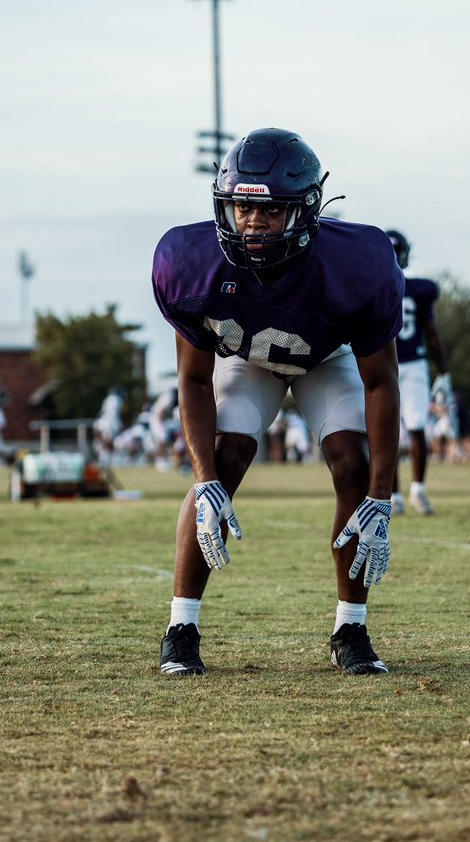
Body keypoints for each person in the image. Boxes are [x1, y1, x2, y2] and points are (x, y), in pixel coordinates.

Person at [151, 127, 404, 676]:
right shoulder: (192, 262)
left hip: (325, 359)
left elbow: (382, 382)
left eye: (269, 212)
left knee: (352, 464)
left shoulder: (359, 264)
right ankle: (181, 626)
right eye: (242, 208)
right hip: (246, 360)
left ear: (306, 211)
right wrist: (204, 478)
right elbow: (194, 379)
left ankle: (351, 627)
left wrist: (382, 496)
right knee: (223, 462)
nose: (253, 222)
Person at [385, 230, 449, 515]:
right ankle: (415, 491)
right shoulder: (421, 289)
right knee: (414, 429)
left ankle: (396, 495)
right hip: (411, 364)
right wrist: (444, 371)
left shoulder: (371, 286)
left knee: (391, 433)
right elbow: (432, 334)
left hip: (387, 364)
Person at [93, 386, 125, 465]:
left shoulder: (107, 399)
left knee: (104, 444)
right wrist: (116, 425)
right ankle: (105, 462)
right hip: (109, 423)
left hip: (101, 422)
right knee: (108, 443)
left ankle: (104, 461)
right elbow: (112, 415)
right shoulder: (116, 400)